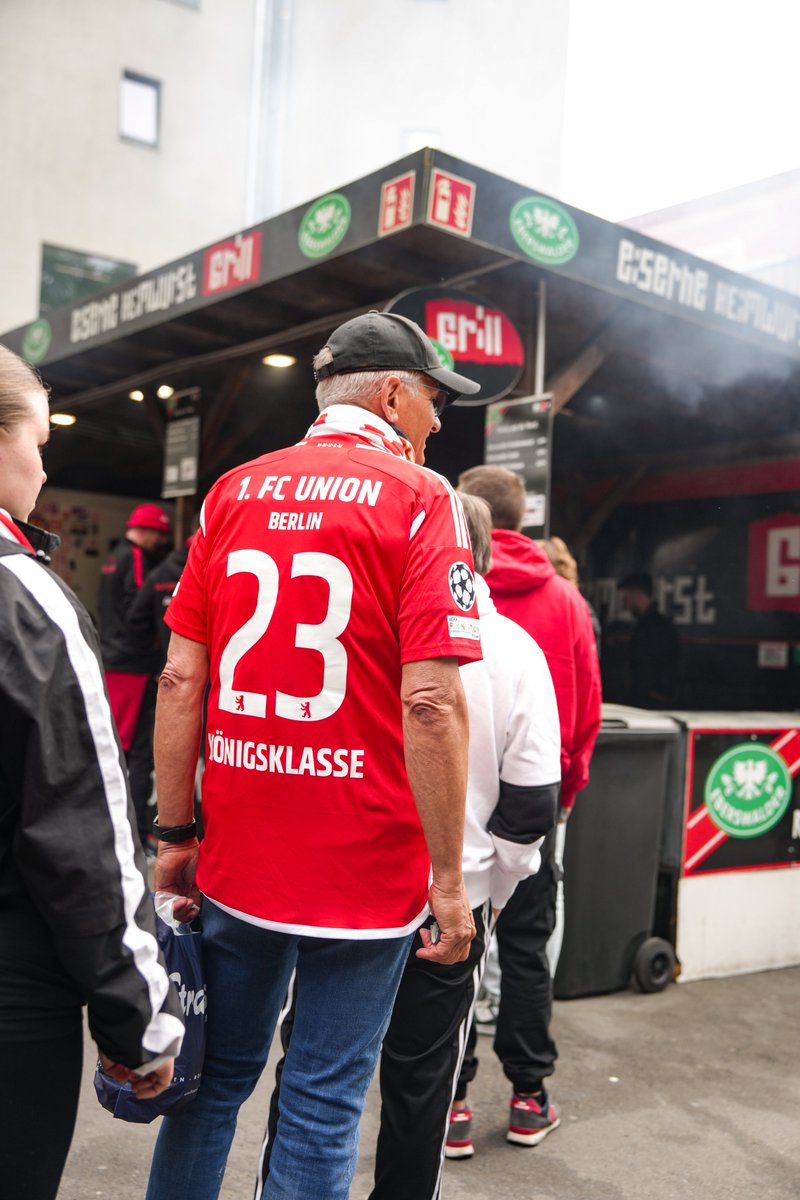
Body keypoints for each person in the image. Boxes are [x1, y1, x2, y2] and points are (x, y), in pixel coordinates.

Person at [145, 310, 483, 1200]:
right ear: (394, 392)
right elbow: (431, 698)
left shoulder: (231, 491)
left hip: (240, 858)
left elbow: (181, 680)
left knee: (212, 1083)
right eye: (435, 401)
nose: (439, 423)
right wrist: (449, 882)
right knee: (324, 1101)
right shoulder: (425, 499)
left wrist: (173, 830)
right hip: (365, 868)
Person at [257, 492, 561, 1200]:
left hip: (346, 895)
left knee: (310, 1071)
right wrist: (490, 890)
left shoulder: (361, 634)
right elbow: (531, 804)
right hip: (450, 906)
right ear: (484, 556)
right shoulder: (515, 650)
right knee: (422, 1087)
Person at [0, 345, 182, 1200]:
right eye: (37, 438)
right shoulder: (25, 599)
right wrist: (137, 1021)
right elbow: (84, 837)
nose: (44, 462)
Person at [452, 465, 601, 1152]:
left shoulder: (434, 593)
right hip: (535, 810)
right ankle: (528, 1097)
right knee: (526, 953)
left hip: (445, 811)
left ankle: (449, 1102)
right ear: (521, 517)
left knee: (446, 955)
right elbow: (587, 714)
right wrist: (563, 797)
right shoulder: (565, 601)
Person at [98, 501, 172, 849]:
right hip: (134, 668)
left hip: (111, 663)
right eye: (160, 536)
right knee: (142, 752)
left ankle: (109, 820)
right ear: (148, 531)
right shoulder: (138, 559)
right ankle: (140, 830)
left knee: (116, 746)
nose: (161, 544)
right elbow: (140, 613)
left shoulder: (112, 558)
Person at [618, 570, 680, 707]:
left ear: (637, 594)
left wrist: (647, 692)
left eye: (627, 596)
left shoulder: (653, 628)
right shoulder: (653, 625)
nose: (625, 603)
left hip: (650, 702)